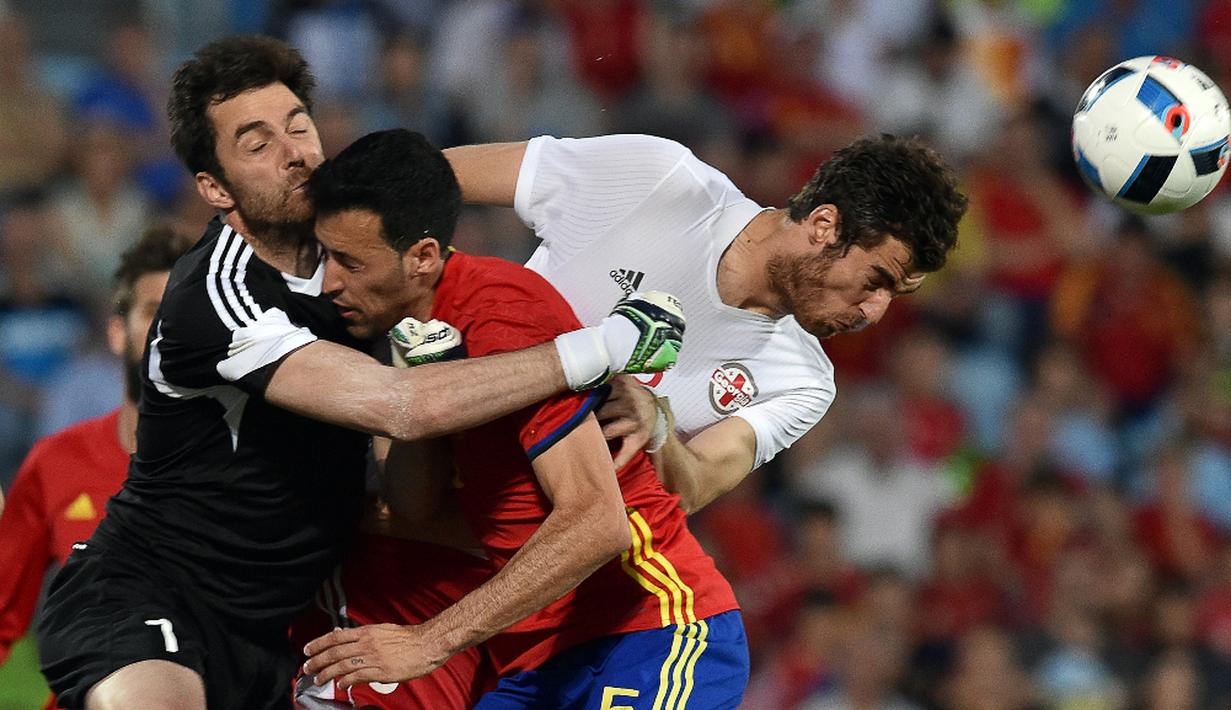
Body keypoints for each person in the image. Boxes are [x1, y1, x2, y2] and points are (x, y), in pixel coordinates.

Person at [35, 36, 682, 710]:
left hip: (276, 628)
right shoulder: (217, 297)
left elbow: (491, 308)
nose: (294, 153)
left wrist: (626, 394)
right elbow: (399, 405)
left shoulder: (365, 257)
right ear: (214, 187)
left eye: (299, 126)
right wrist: (604, 349)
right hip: (150, 590)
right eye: (256, 145)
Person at [299, 129, 746, 708]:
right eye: (325, 255)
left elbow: (596, 523)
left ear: (423, 258)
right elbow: (414, 503)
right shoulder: (415, 332)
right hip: (539, 659)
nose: (329, 281)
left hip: (651, 628)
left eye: (349, 262)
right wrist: (422, 391)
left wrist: (428, 642)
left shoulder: (502, 313)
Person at [444, 132, 966, 512]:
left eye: (895, 295)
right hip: (427, 438)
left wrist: (658, 426)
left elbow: (691, 488)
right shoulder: (663, 180)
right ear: (824, 225)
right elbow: (436, 178)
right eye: (877, 280)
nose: (875, 313)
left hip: (509, 551)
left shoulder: (803, 383)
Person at [0, 225, 191, 707]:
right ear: (115, 332)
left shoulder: (249, 465)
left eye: (187, 313)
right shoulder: (57, 463)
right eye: (153, 312)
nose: (169, 328)